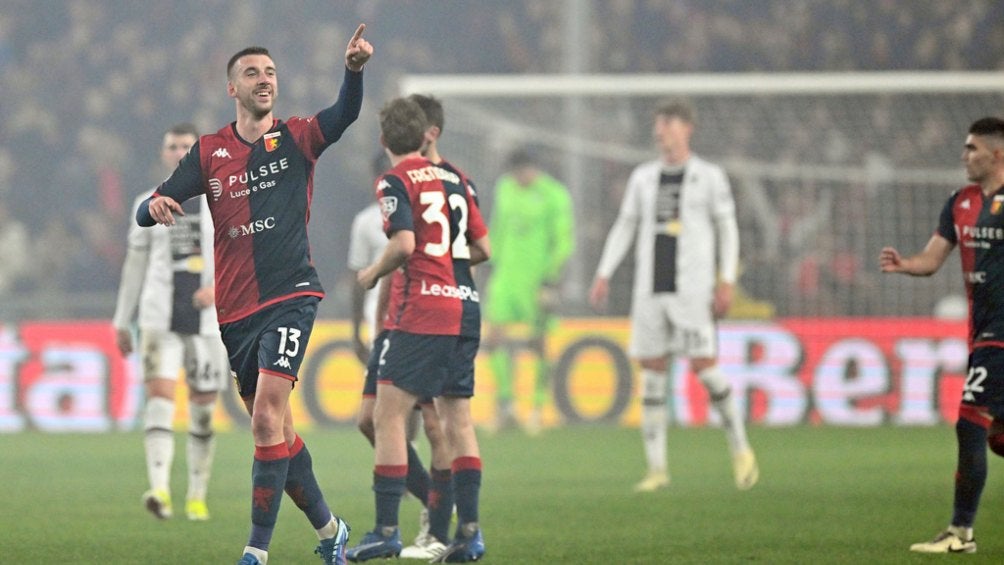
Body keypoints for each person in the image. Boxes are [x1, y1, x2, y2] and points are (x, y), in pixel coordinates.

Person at [136, 25, 373, 565]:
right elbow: (153, 203)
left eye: (270, 73)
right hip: (235, 313)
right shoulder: (210, 152)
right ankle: (332, 530)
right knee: (278, 434)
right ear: (232, 88)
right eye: (252, 73)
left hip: (290, 295)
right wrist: (151, 208)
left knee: (267, 417)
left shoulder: (295, 137)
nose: (264, 80)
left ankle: (255, 552)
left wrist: (353, 72)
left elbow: (343, 115)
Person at [588, 98, 759, 492]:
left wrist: (727, 279)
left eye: (666, 122)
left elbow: (727, 230)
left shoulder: (709, 176)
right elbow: (625, 226)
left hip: (692, 291)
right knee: (651, 374)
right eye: (657, 123)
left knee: (705, 367)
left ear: (686, 128)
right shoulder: (643, 178)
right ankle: (657, 469)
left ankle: (741, 449)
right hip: (650, 290)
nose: (659, 130)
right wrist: (604, 271)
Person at [346, 96, 490, 563]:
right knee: (457, 421)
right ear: (426, 133)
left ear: (384, 140)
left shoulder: (395, 178)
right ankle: (468, 534)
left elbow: (405, 243)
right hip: (463, 307)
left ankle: (388, 529)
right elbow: (483, 247)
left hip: (421, 311)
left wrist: (373, 272)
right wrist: (448, 265)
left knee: (390, 417)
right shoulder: (457, 178)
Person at [880, 116, 1004, 555]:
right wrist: (904, 264)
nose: (964, 155)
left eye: (972, 148)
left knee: (969, 423)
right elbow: (932, 259)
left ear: (997, 154)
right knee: (998, 436)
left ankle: (960, 533)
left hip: (1000, 336)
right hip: (982, 333)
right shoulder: (960, 202)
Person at [112, 123, 229, 522]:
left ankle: (197, 495)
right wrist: (121, 320)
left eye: (186, 146)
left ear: (197, 153)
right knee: (159, 402)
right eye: (172, 145)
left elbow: (241, 255)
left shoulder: (220, 200)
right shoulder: (147, 202)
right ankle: (159, 490)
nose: (179, 152)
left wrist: (218, 288)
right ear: (163, 153)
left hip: (209, 321)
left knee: (201, 410)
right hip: (159, 316)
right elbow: (134, 265)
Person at [350, 147, 447, 560]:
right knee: (370, 422)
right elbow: (364, 277)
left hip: (423, 321)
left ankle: (433, 522)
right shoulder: (366, 222)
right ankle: (431, 503)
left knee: (431, 424)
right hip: (386, 327)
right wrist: (364, 329)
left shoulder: (425, 207)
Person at [484, 149, 575, 434]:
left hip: (537, 280)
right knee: (494, 338)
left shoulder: (555, 194)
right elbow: (497, 228)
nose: (519, 177)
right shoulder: (504, 188)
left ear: (535, 168)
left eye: (523, 171)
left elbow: (562, 240)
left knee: (539, 342)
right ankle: (506, 405)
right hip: (506, 277)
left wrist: (552, 278)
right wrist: (489, 262)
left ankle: (537, 408)